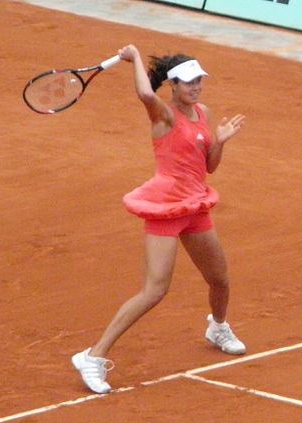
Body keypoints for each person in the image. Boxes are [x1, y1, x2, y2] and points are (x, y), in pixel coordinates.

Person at [72, 44, 247, 394]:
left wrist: (221, 142)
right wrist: (135, 57)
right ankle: (93, 356)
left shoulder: (203, 112)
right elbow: (142, 92)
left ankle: (218, 326)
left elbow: (207, 166)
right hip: (166, 208)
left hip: (195, 206)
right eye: (187, 82)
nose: (195, 87)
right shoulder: (163, 115)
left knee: (220, 279)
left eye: (198, 80)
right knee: (154, 291)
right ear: (172, 86)